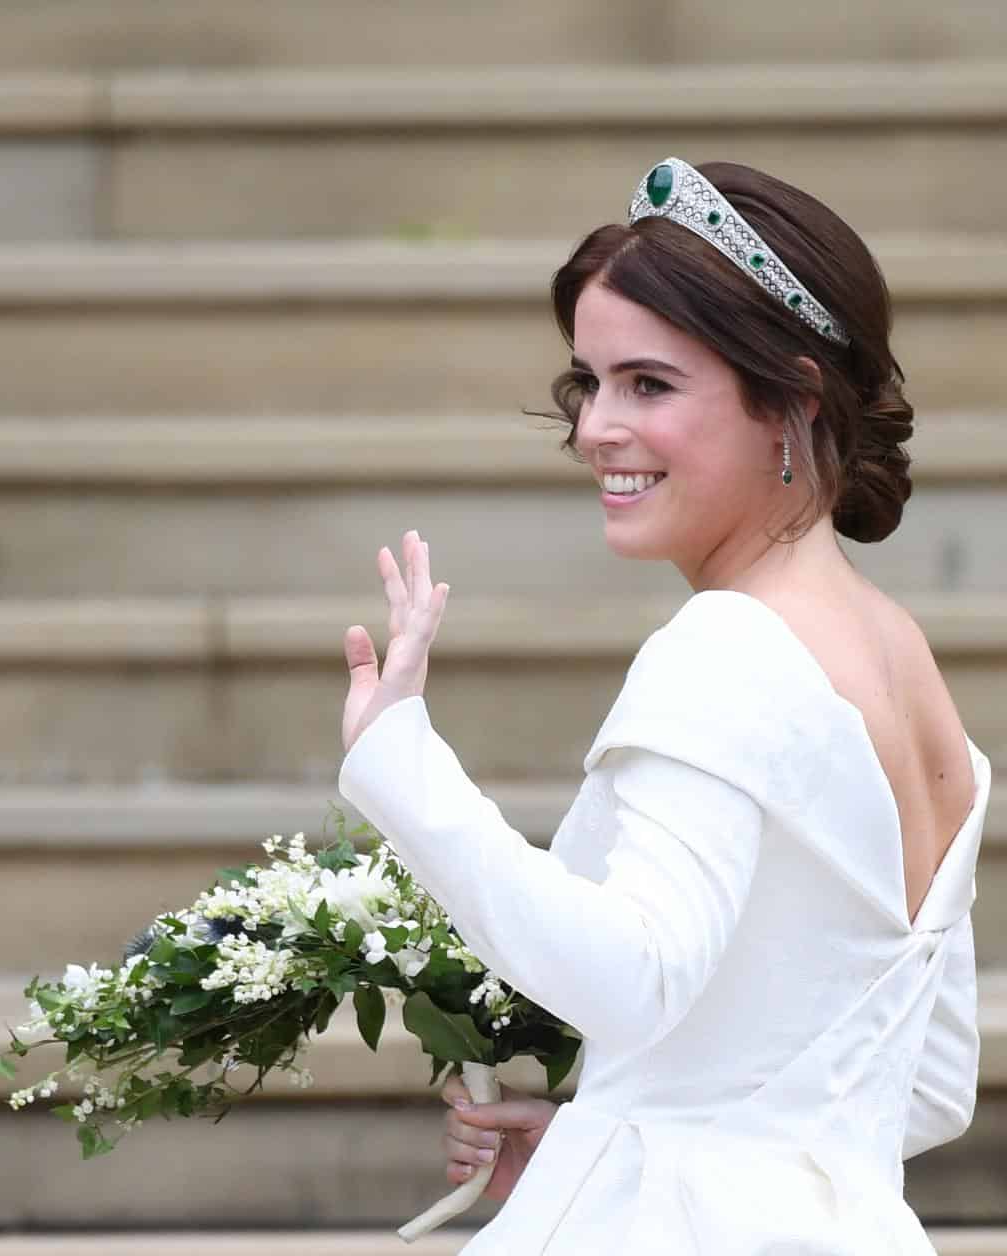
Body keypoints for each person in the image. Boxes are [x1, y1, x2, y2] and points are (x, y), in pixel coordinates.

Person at [336, 158, 984, 1252]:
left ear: (792, 399)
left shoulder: (728, 646)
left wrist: (399, 761)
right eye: (589, 381)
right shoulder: (908, 665)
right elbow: (930, 1083)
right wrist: (616, 1138)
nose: (595, 426)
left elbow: (634, 979)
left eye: (649, 384)